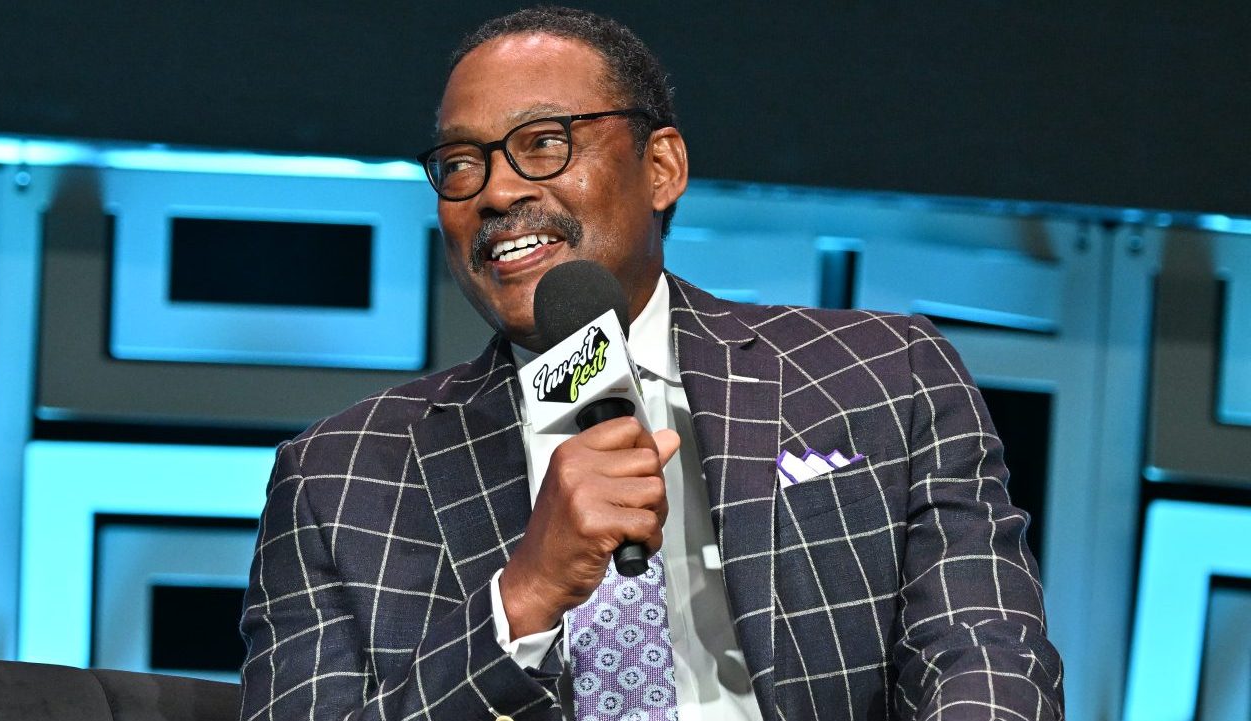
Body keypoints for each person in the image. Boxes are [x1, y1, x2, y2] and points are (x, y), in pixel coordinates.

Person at [239, 7, 1063, 721]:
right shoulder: (341, 480)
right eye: (461, 164)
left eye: (543, 143)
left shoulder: (881, 376)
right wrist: (520, 601)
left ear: (661, 167)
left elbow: (985, 654)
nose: (493, 193)